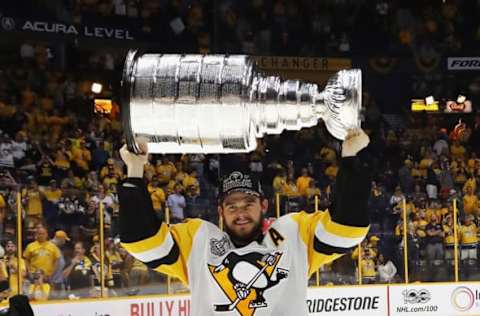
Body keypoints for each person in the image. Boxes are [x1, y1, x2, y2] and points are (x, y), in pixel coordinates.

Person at [118, 129, 371, 315]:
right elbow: (142, 243)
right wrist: (135, 171)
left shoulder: (292, 235)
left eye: (248, 204)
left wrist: (350, 158)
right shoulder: (199, 241)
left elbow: (346, 230)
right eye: (232, 205)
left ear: (263, 206)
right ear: (221, 210)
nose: (240, 212)